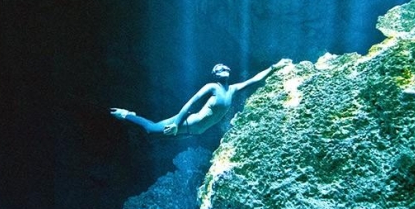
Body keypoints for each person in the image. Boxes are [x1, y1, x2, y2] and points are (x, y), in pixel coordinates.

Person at [111, 60, 290, 136]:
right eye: (218, 69)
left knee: (158, 136)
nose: (223, 69)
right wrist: (176, 124)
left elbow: (254, 80)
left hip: (195, 132)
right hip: (186, 123)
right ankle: (127, 114)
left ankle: (132, 117)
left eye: (224, 67)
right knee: (151, 129)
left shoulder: (232, 89)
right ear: (215, 75)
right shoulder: (212, 87)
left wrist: (274, 67)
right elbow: (190, 103)